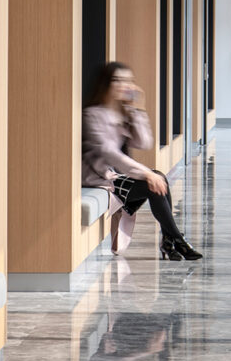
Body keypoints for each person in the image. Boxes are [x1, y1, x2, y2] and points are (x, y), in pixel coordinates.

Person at [82, 61, 202, 260]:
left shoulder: (123, 113)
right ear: (106, 84)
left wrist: (138, 109)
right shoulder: (92, 115)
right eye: (117, 81)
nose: (124, 85)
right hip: (98, 178)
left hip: (115, 176)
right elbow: (109, 153)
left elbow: (144, 142)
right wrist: (146, 174)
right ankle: (176, 240)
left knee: (158, 177)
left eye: (128, 81)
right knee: (151, 182)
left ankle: (169, 241)